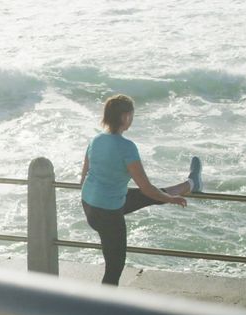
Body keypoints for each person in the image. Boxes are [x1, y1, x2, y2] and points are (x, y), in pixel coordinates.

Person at [80, 94, 203, 286]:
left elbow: (84, 176)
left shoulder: (95, 140)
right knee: (114, 268)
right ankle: (103, 311)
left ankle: (192, 183)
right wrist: (172, 200)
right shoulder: (127, 148)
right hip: (108, 214)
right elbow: (146, 187)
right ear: (125, 117)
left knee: (144, 197)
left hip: (89, 204)